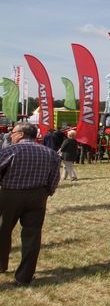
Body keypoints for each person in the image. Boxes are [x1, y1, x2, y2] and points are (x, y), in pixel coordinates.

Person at [0, 122, 61, 285]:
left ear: (21, 134)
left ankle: (1, 264)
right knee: (32, 236)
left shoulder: (10, 150)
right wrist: (46, 193)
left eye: (12, 132)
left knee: (3, 230)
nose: (10, 135)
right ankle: (24, 276)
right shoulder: (50, 153)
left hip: (10, 193)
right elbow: (55, 177)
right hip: (38, 195)